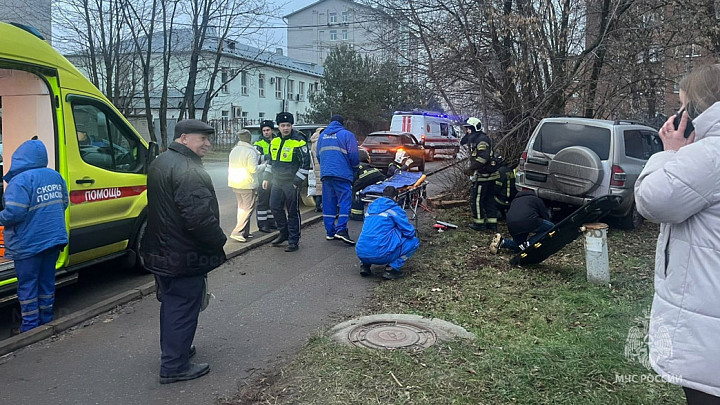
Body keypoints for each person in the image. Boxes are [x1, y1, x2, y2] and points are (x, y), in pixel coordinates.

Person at [634, 64, 720, 403]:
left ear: (699, 108)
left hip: (709, 321)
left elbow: (652, 201)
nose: (679, 114)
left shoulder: (710, 155)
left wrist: (669, 153)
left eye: (683, 106)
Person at [141, 119, 226, 384]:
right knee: (182, 306)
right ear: (185, 138)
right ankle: (174, 365)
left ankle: (176, 350)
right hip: (184, 254)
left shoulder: (161, 161)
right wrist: (219, 240)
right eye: (203, 139)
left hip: (163, 250)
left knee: (171, 303)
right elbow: (199, 218)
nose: (208, 144)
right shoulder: (188, 169)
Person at [0, 139, 68, 333]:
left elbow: (14, 214)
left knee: (28, 286)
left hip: (28, 244)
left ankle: (30, 328)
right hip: (53, 241)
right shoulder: (55, 176)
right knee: (46, 282)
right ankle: (46, 321)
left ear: (19, 158)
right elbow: (64, 202)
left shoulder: (19, 181)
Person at [263, 112, 310, 252]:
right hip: (277, 181)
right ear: (278, 127)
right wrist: (266, 177)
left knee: (292, 212)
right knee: (274, 207)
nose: (285, 128)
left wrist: (296, 182)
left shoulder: (299, 141)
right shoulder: (275, 141)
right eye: (283, 125)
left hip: (291, 182)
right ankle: (284, 233)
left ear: (291, 126)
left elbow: (305, 164)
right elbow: (271, 162)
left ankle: (293, 240)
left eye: (288, 125)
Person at [356, 186, 420, 280]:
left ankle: (365, 265)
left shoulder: (370, 208)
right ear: (395, 198)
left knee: (373, 232)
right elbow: (409, 232)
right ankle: (391, 269)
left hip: (361, 252)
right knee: (414, 242)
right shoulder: (395, 210)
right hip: (381, 255)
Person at [317, 114, 359, 244]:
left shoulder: (322, 136)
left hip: (326, 174)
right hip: (342, 174)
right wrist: (355, 169)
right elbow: (353, 155)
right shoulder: (347, 135)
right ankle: (341, 230)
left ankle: (330, 232)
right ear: (342, 123)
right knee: (345, 201)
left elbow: (318, 155)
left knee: (329, 203)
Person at [464, 117, 500, 231]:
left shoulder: (482, 140)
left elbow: (483, 158)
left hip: (484, 177)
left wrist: (471, 169)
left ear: (475, 128)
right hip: (490, 176)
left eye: (468, 129)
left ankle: (479, 224)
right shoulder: (480, 139)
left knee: (477, 200)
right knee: (489, 200)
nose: (467, 131)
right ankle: (492, 224)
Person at [489, 190, 553, 254]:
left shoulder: (514, 201)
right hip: (529, 221)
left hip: (512, 225)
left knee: (520, 247)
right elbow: (544, 215)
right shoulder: (536, 199)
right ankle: (529, 243)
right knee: (551, 228)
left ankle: (503, 242)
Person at [228, 129, 260, 242]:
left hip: (235, 182)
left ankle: (245, 232)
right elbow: (253, 169)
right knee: (247, 208)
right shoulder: (251, 152)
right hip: (247, 183)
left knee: (241, 208)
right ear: (249, 139)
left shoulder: (234, 150)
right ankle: (237, 232)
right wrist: (263, 166)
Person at [350, 149, 385, 221]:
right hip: (378, 174)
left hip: (364, 177)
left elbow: (354, 179)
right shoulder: (367, 165)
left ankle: (357, 214)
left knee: (354, 192)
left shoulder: (356, 166)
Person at [254, 120, 276, 232]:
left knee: (272, 200)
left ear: (272, 130)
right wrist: (269, 157)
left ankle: (271, 222)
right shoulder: (258, 144)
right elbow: (256, 159)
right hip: (263, 175)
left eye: (268, 130)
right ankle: (262, 224)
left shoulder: (277, 141)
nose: (266, 132)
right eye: (264, 130)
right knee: (263, 200)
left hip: (275, 175)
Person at [308, 127, 324, 213]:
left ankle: (318, 206)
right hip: (321, 166)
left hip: (316, 167)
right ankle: (320, 206)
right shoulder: (321, 142)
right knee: (322, 188)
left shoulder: (313, 142)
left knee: (318, 187)